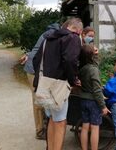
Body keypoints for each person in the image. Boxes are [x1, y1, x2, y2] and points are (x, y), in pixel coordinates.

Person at [33, 17, 83, 150]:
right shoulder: (72, 38)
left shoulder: (47, 38)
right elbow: (70, 60)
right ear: (76, 29)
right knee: (60, 121)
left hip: (44, 84)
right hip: (58, 85)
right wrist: (73, 80)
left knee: (52, 120)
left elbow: (36, 59)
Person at [19, 23, 60, 140]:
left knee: (43, 97)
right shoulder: (51, 34)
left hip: (38, 68)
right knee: (37, 99)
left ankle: (45, 124)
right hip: (33, 70)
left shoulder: (49, 34)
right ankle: (39, 130)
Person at [79, 44, 110, 150]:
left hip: (83, 100)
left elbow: (94, 64)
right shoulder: (94, 70)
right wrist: (103, 106)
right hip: (93, 102)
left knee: (84, 127)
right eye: (95, 51)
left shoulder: (82, 68)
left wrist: (94, 54)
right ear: (91, 56)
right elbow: (97, 90)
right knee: (95, 128)